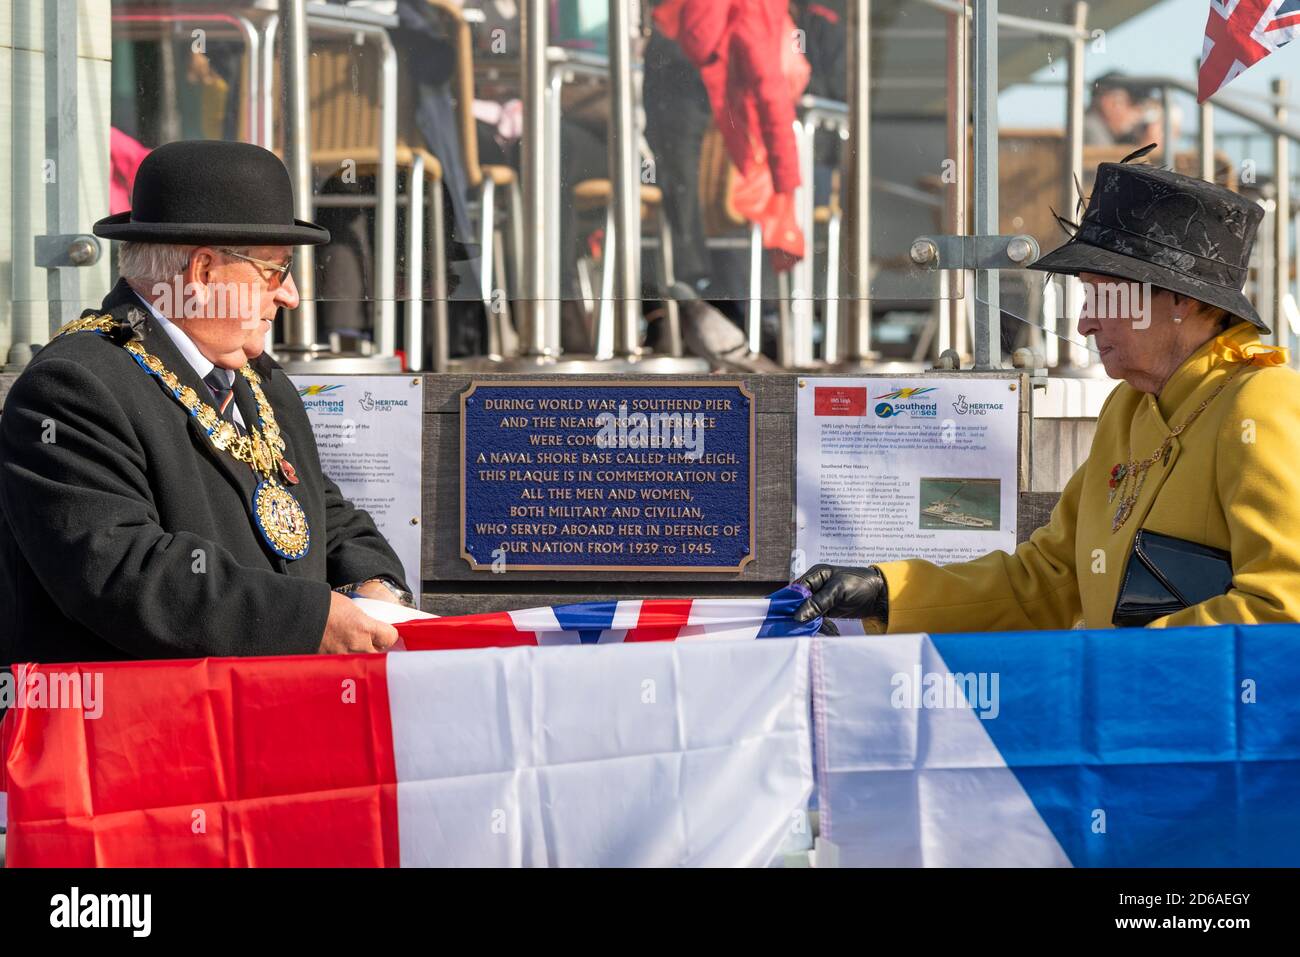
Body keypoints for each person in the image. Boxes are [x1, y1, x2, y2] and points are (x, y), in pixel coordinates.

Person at [795, 159, 1300, 632]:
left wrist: (1113, 662)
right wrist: (889, 593)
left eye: (1104, 295)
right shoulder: (1128, 407)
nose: (1084, 321)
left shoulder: (1261, 401)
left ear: (1182, 302)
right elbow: (1049, 578)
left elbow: (1283, 606)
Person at [0, 140, 412, 667]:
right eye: (277, 270)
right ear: (203, 273)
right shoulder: (73, 386)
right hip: (140, 734)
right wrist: (313, 622)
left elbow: (326, 515)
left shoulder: (257, 378)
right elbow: (126, 574)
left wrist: (376, 588)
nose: (290, 296)